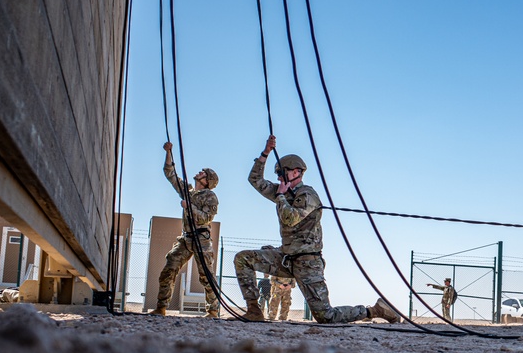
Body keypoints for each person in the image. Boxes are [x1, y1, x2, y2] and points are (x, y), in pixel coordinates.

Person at [234, 136, 399, 323]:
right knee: (243, 258)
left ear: (297, 172)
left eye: (281, 172)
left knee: (326, 316)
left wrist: (280, 196)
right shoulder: (284, 192)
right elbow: (254, 179)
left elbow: (290, 219)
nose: (278, 177)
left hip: (307, 263)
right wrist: (265, 153)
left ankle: (375, 311)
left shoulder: (308, 195)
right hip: (286, 258)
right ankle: (254, 311)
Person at [150, 142, 220, 318]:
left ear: (207, 181)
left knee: (206, 276)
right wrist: (169, 153)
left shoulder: (210, 197)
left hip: (201, 239)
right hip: (186, 238)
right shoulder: (189, 192)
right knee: (169, 267)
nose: (199, 172)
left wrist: (189, 207)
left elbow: (206, 218)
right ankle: (161, 307)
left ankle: (213, 310)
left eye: (203, 173)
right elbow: (171, 175)